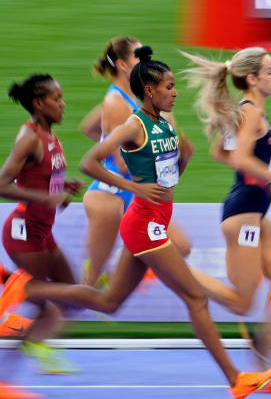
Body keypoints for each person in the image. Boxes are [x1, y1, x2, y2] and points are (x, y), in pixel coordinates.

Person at [0, 47, 271, 399]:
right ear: (150, 91)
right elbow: (90, 162)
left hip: (153, 222)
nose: (175, 93)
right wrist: (132, 186)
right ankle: (237, 380)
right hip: (145, 226)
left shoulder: (163, 122)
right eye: (169, 87)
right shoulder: (135, 123)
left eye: (175, 86)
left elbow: (177, 162)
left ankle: (25, 289)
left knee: (109, 303)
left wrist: (176, 169)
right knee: (196, 299)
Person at [180, 47, 271, 393]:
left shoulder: (246, 112)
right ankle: (166, 267)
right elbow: (239, 158)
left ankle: (266, 369)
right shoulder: (250, 112)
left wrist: (270, 166)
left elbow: (220, 152)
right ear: (252, 79)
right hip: (244, 218)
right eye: (270, 72)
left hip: (254, 214)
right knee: (242, 302)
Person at [80, 37, 191, 289]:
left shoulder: (136, 97)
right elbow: (121, 163)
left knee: (180, 247)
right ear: (122, 64)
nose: (146, 60)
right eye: (138, 55)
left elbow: (89, 127)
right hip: (116, 194)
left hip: (137, 191)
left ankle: (126, 276)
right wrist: (152, 150)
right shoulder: (116, 102)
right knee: (93, 280)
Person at [0, 74, 83, 395]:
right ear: (39, 103)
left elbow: (42, 181)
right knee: (49, 306)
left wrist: (62, 187)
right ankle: (8, 378)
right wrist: (47, 197)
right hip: (23, 233)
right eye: (57, 99)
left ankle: (38, 344)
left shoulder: (50, 135)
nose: (63, 104)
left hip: (43, 232)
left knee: (72, 293)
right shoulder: (30, 137)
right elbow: (2, 183)